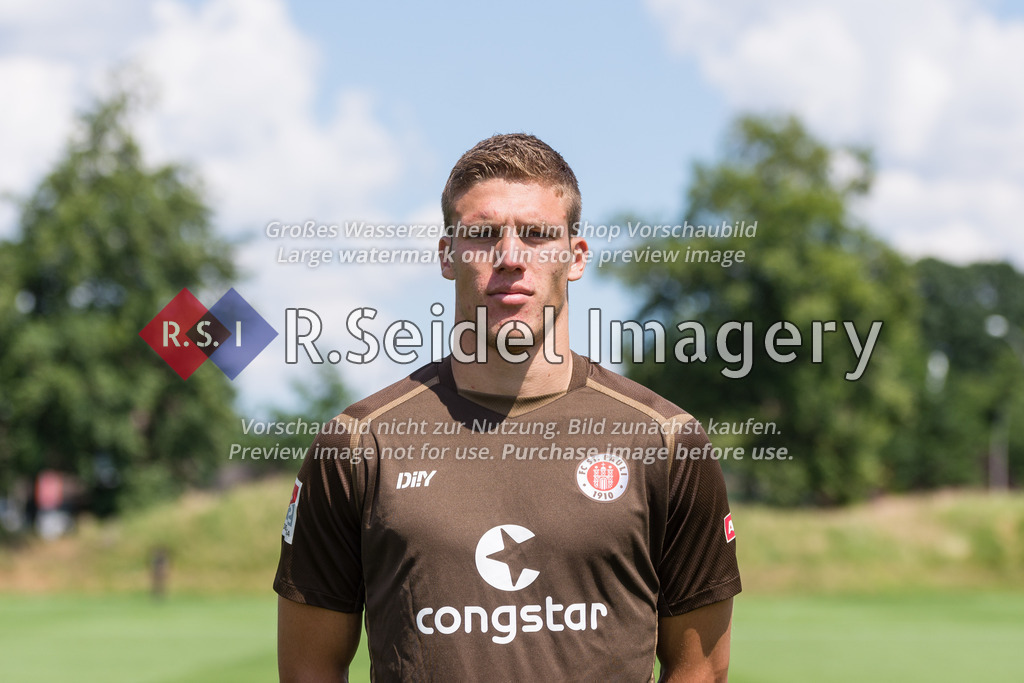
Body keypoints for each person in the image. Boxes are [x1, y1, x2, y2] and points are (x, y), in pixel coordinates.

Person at [275, 134, 741, 681]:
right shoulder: (357, 443)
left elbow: (700, 669)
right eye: (483, 234)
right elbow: (311, 666)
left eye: (539, 235)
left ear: (575, 256)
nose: (511, 257)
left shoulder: (666, 441)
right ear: (448, 255)